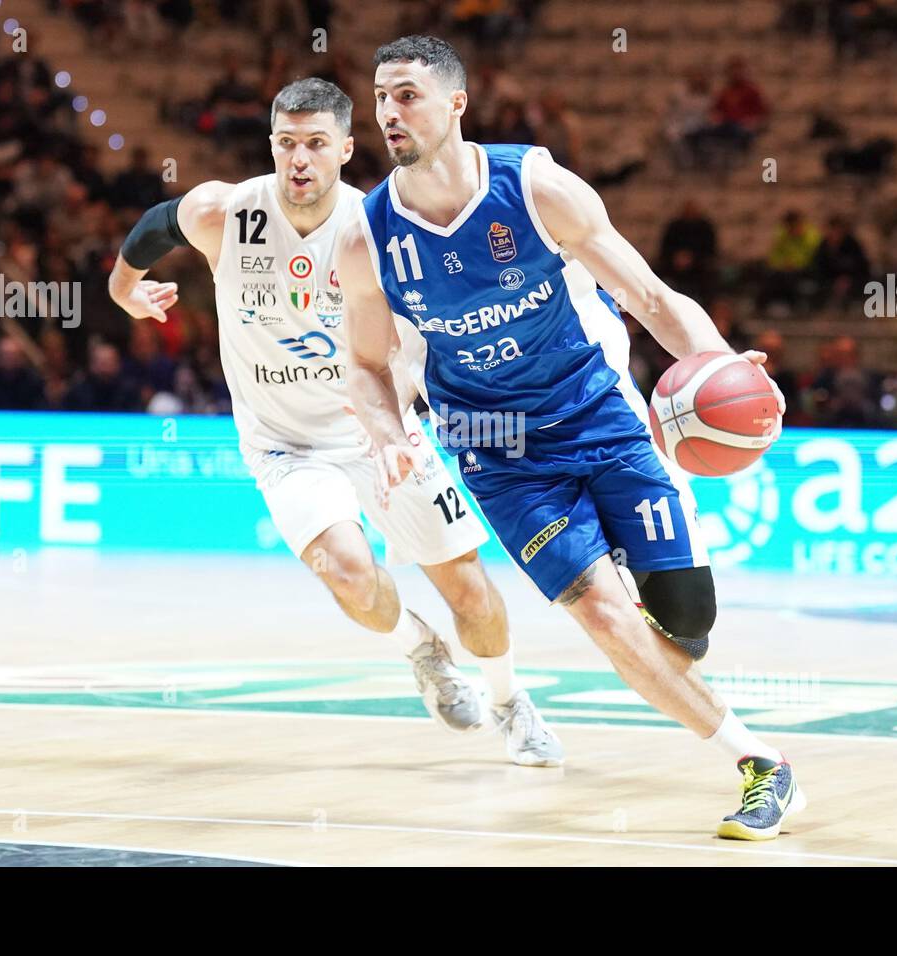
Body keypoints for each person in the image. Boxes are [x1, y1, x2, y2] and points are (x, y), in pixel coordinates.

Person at [337, 36, 801, 840]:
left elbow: (652, 298)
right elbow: (366, 365)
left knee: (685, 626)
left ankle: (646, 587)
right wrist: (387, 434)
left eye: (406, 94)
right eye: (380, 96)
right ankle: (763, 765)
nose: (388, 111)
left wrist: (722, 366)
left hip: (600, 415)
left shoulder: (536, 186)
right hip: (497, 450)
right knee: (604, 616)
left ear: (456, 103)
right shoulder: (369, 235)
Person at [108, 77, 561, 766]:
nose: (299, 159)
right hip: (284, 444)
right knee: (347, 571)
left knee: (468, 589)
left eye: (316, 144)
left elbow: (431, 335)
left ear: (347, 149)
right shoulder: (224, 214)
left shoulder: (377, 229)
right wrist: (123, 291)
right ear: (271, 145)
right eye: (287, 143)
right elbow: (149, 231)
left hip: (381, 431)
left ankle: (509, 700)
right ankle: (421, 649)